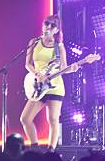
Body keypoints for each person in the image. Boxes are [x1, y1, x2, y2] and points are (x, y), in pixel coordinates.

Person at [20, 15, 79, 151]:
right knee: (25, 118)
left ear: (57, 30)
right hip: (38, 86)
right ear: (43, 25)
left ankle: (51, 151)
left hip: (54, 87)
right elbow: (28, 64)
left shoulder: (59, 47)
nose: (49, 27)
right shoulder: (34, 42)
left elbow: (64, 68)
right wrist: (37, 74)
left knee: (52, 119)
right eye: (47, 24)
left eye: (53, 26)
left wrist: (73, 69)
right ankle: (35, 148)